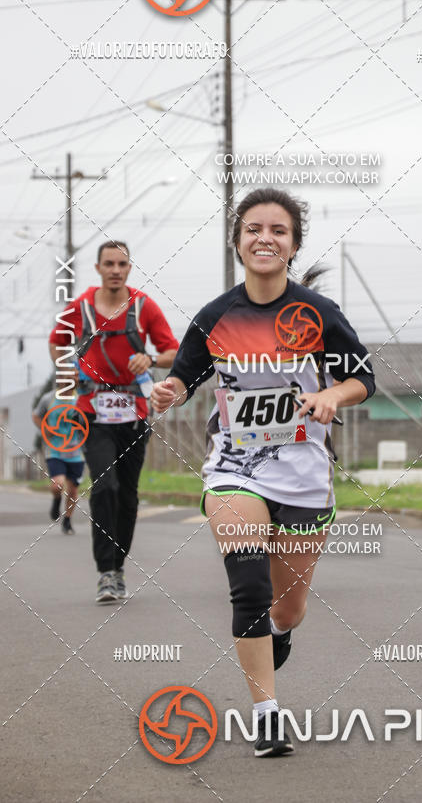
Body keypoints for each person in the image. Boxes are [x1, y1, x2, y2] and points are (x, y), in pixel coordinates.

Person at [151, 188, 375, 757]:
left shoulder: (319, 315)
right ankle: (267, 715)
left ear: (293, 245)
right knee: (247, 586)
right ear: (238, 241)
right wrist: (168, 390)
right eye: (253, 229)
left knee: (289, 606)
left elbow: (363, 380)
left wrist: (332, 395)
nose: (265, 238)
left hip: (303, 474)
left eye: (278, 230)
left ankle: (278, 634)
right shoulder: (215, 317)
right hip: (234, 468)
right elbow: (183, 379)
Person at [48, 240, 178, 604]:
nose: (116, 270)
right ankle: (106, 572)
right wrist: (65, 377)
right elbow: (56, 341)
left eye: (122, 264)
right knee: (105, 485)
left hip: (135, 413)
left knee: (128, 496)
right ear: (98, 268)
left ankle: (118, 567)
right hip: (93, 412)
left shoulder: (143, 306)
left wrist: (149, 360)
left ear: (129, 268)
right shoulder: (81, 308)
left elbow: (173, 352)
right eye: (109, 263)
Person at [32, 368, 85, 534]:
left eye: (70, 377)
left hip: (76, 452)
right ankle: (56, 500)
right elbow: (36, 415)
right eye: (63, 377)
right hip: (55, 450)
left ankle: (67, 521)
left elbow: (88, 419)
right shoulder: (49, 398)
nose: (66, 381)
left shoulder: (81, 399)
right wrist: (44, 428)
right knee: (58, 485)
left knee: (73, 490)